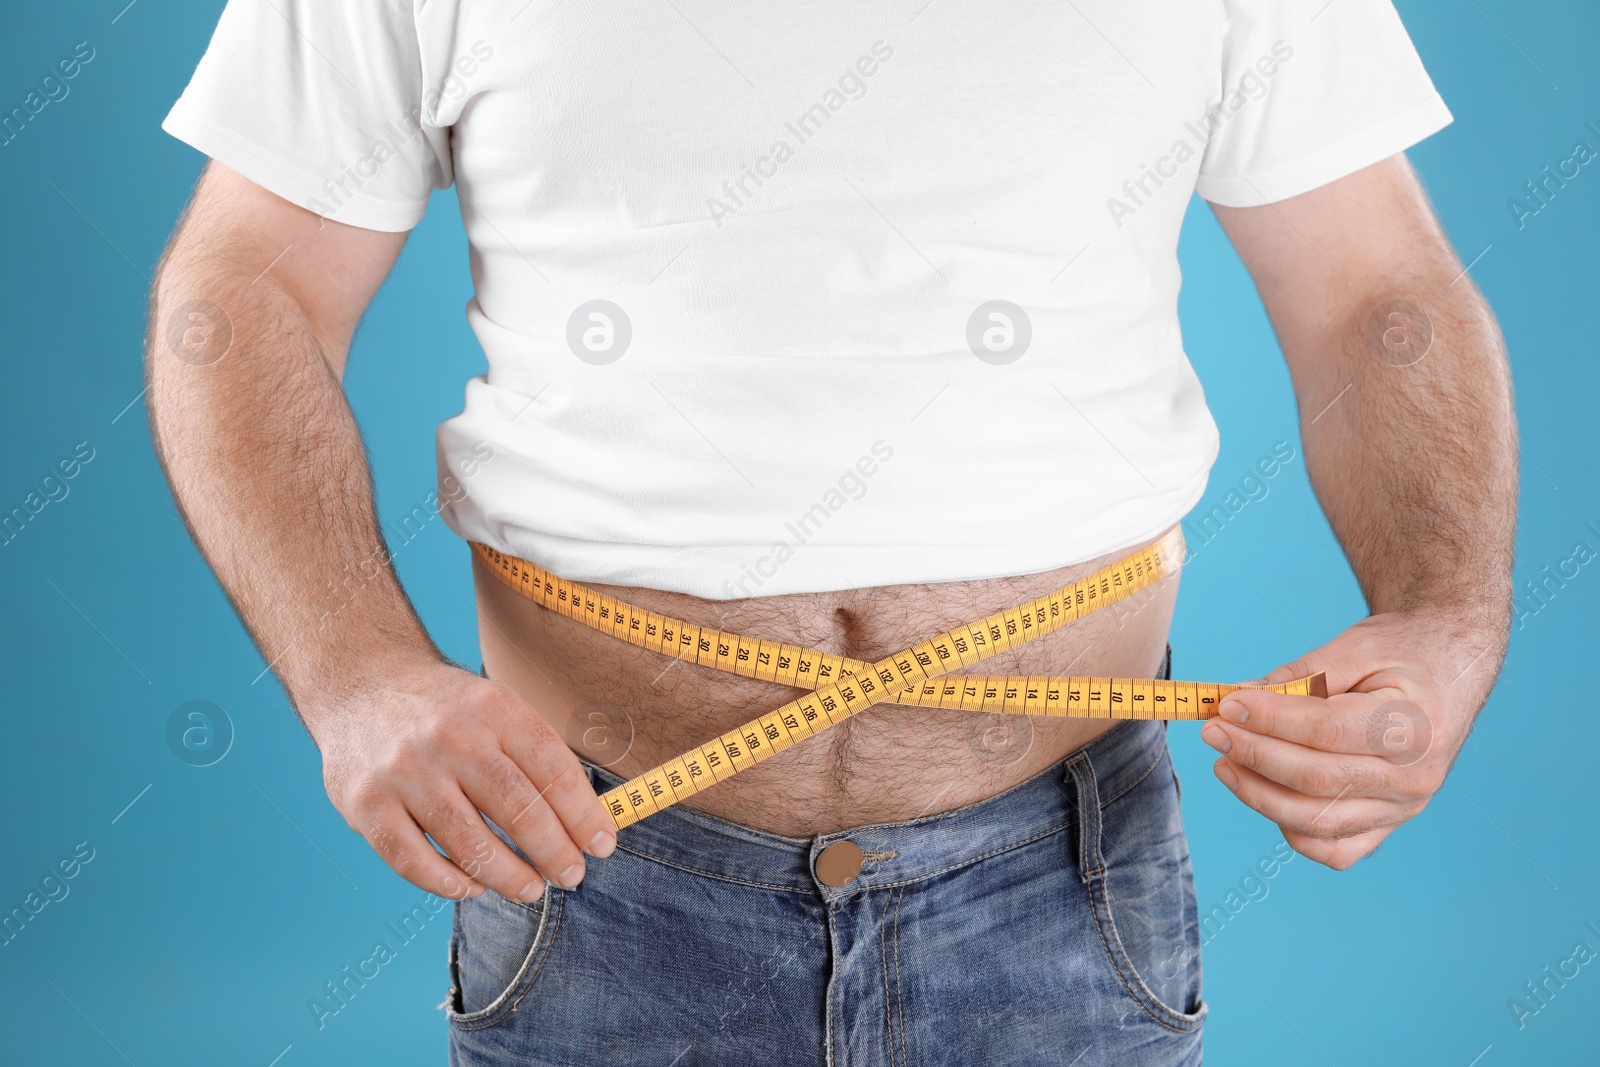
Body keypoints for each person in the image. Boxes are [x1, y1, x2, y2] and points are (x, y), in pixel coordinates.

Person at [147, 1, 1515, 1063]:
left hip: (1064, 880)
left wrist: (1445, 612)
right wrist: (356, 674)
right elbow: (243, 287)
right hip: (595, 869)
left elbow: (1372, 291)